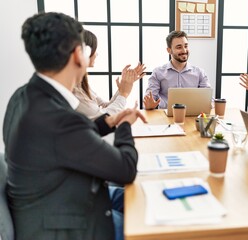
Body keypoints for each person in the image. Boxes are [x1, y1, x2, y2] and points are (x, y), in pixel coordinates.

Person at [2, 12, 147, 240]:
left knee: (141, 197)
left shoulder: (24, 97)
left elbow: (65, 140)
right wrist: (125, 126)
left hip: (49, 205)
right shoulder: (60, 119)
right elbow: (126, 169)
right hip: (65, 225)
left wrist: (108, 122)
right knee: (147, 217)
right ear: (79, 55)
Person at [74, 29, 146, 120]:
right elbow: (103, 118)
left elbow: (105, 106)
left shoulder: (82, 83)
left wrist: (124, 84)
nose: (96, 54)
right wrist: (124, 93)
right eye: (94, 50)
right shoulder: (74, 89)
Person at [143, 30, 211, 109]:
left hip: (192, 117)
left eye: (186, 46)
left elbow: (208, 99)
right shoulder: (158, 72)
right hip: (165, 117)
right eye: (179, 47)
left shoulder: (199, 73)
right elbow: (149, 99)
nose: (184, 50)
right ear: (169, 50)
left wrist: (210, 103)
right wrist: (149, 105)